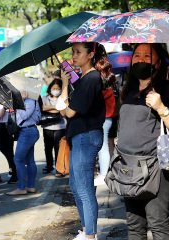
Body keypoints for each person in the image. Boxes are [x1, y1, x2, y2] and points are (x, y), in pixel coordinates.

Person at [118, 43, 169, 240]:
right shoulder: (127, 89)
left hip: (156, 169)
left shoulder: (168, 90)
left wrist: (161, 107)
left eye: (147, 55)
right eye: (137, 54)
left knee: (157, 224)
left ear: (158, 61)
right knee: (134, 226)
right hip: (128, 168)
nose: (140, 59)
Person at [57, 42, 107, 240]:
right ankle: (87, 229)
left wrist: (63, 85)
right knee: (76, 186)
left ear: (91, 54)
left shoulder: (92, 78)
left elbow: (68, 111)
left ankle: (90, 235)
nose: (74, 56)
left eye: (79, 52)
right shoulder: (83, 80)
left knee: (84, 188)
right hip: (79, 137)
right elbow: (64, 109)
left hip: (86, 136)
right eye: (73, 52)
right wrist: (65, 83)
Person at [6, 92, 41, 196]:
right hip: (26, 131)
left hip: (28, 131)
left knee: (18, 159)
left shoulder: (30, 101)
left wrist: (19, 102)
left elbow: (25, 115)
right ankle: (30, 186)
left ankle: (22, 187)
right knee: (29, 160)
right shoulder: (26, 101)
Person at [95, 55, 117, 187]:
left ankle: (104, 174)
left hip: (105, 118)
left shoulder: (104, 87)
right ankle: (105, 172)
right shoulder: (110, 84)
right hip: (109, 118)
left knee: (103, 147)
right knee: (105, 146)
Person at [39, 78, 66, 176]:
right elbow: (43, 108)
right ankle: (49, 165)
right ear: (50, 88)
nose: (55, 90)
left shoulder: (62, 98)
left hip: (60, 127)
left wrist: (50, 108)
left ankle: (59, 168)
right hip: (47, 126)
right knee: (48, 147)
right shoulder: (44, 98)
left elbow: (63, 111)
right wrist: (57, 108)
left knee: (58, 147)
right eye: (54, 88)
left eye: (58, 88)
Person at [0, 104, 18, 184]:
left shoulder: (3, 94)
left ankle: (15, 173)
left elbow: (10, 102)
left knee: (7, 151)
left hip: (2, 124)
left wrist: (4, 108)